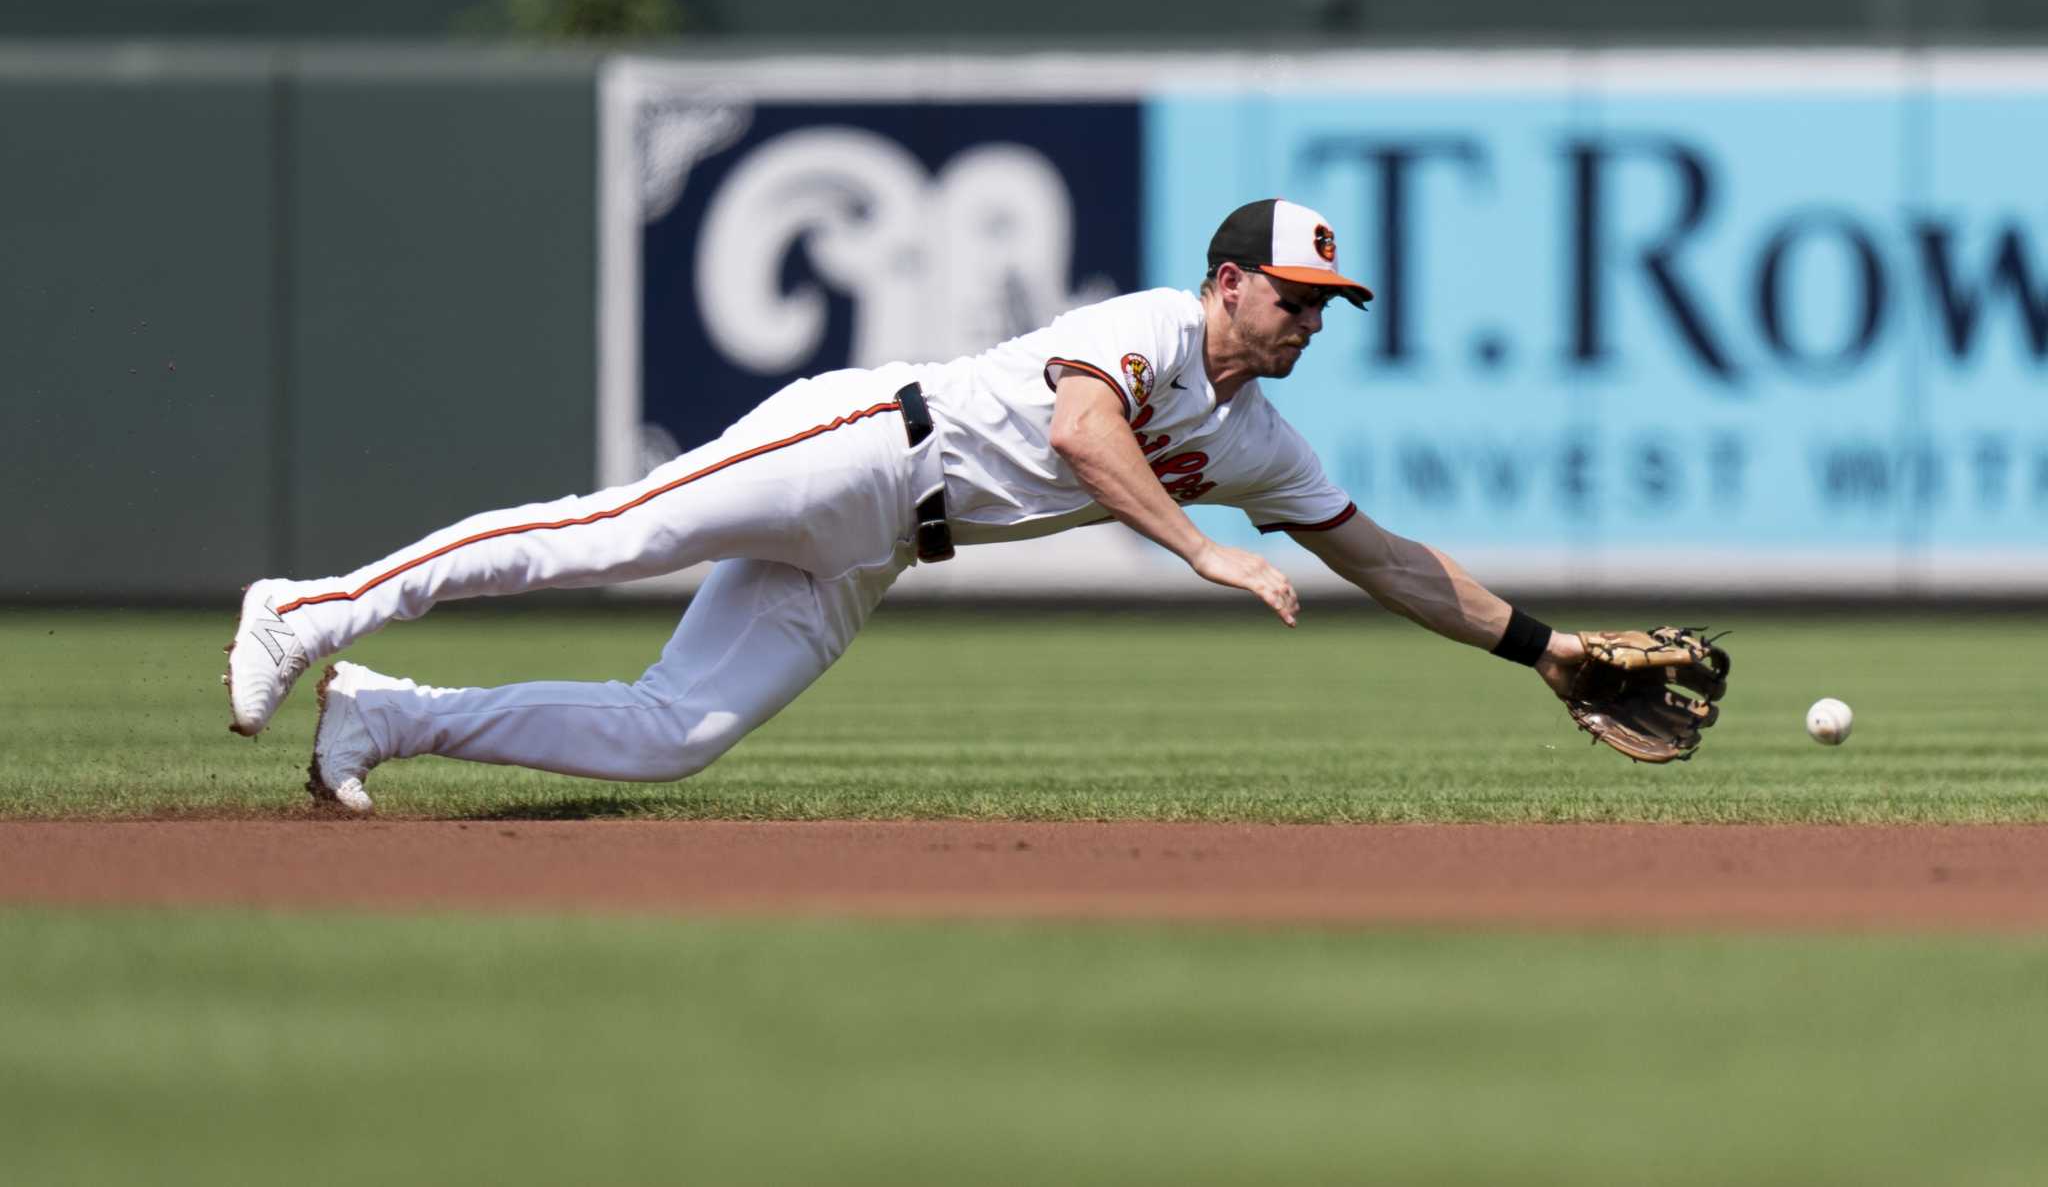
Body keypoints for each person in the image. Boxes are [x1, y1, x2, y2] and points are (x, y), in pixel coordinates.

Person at [225, 198, 1597, 813]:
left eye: (1328, 307)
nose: (1310, 319)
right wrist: (1202, 553)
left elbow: (1386, 556)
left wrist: (1546, 650)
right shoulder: (1156, 327)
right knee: (612, 533)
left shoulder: (1260, 440)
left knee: (671, 734)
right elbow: (1081, 426)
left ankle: (383, 714)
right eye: (1295, 295)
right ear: (1229, 279)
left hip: (877, 549)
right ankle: (307, 606)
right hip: (863, 443)